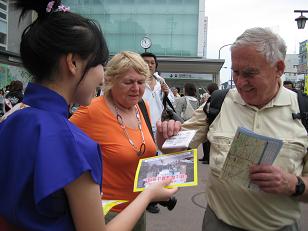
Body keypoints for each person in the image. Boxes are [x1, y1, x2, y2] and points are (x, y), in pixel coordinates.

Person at [0, 1, 178, 231]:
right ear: (73, 63)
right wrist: (148, 195)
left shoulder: (12, 120)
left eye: (140, 82)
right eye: (100, 65)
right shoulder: (74, 140)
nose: (102, 76)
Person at [158, 27, 308, 230]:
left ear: (279, 68)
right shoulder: (218, 101)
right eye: (235, 72)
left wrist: (293, 184)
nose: (240, 82)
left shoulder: (303, 110)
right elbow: (174, 149)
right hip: (218, 222)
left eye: (249, 73)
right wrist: (165, 135)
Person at [70, 51, 178, 230]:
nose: (136, 88)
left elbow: (141, 151)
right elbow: (60, 147)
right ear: (111, 81)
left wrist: (165, 143)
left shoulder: (143, 106)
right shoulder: (90, 111)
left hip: (138, 208)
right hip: (106, 214)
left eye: (141, 82)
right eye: (128, 82)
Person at [141, 52, 175, 214]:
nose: (149, 65)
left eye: (152, 62)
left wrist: (167, 93)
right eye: (145, 62)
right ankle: (148, 198)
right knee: (146, 160)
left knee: (158, 162)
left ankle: (156, 196)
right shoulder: (138, 80)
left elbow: (170, 104)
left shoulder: (160, 81)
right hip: (142, 125)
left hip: (159, 127)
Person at [198, 82, 218, 164]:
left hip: (211, 121)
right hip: (211, 121)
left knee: (208, 140)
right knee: (206, 140)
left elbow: (207, 109)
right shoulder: (215, 97)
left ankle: (208, 158)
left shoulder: (214, 97)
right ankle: (206, 156)